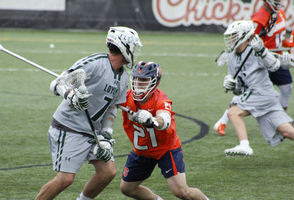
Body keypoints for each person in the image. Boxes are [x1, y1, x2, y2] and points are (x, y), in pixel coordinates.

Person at [35, 26, 142, 200]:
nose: (135, 51)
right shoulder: (96, 63)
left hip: (93, 131)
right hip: (69, 127)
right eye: (133, 46)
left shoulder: (123, 76)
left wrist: (106, 136)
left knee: (108, 172)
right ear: (124, 46)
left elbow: (112, 107)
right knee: (65, 179)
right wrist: (71, 96)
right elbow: (58, 83)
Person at [119, 61, 210, 200]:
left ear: (154, 82)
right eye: (136, 79)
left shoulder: (161, 99)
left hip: (166, 149)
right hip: (141, 151)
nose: (138, 84)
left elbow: (164, 119)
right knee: (127, 189)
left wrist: (152, 120)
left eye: (143, 80)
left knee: (182, 191)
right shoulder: (125, 96)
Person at [214, 0, 294, 136]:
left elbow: (278, 38)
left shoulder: (279, 13)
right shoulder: (258, 19)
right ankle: (223, 121)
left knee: (286, 87)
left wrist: (288, 44)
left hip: (274, 56)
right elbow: (245, 42)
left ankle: (282, 121)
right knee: (250, 90)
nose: (278, 2)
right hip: (261, 59)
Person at [220, 20, 294, 156]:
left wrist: (263, 52)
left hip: (261, 94)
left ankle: (244, 145)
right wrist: (231, 85)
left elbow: (275, 67)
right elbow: (239, 89)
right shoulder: (231, 57)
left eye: (234, 35)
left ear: (244, 36)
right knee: (286, 131)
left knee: (233, 112)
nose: (231, 39)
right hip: (262, 97)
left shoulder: (255, 50)